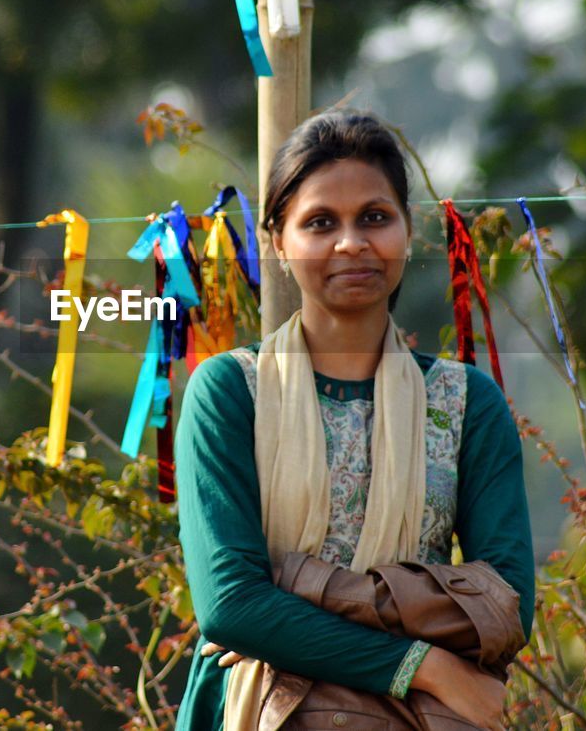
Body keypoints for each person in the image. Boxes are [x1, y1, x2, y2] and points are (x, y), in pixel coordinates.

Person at [173, 110, 535, 731]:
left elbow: (507, 607)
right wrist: (426, 664)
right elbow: (231, 606)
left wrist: (288, 603)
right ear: (276, 243)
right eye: (320, 223)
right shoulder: (231, 391)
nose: (351, 242)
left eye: (374, 217)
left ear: (406, 228)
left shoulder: (465, 402)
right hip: (252, 711)